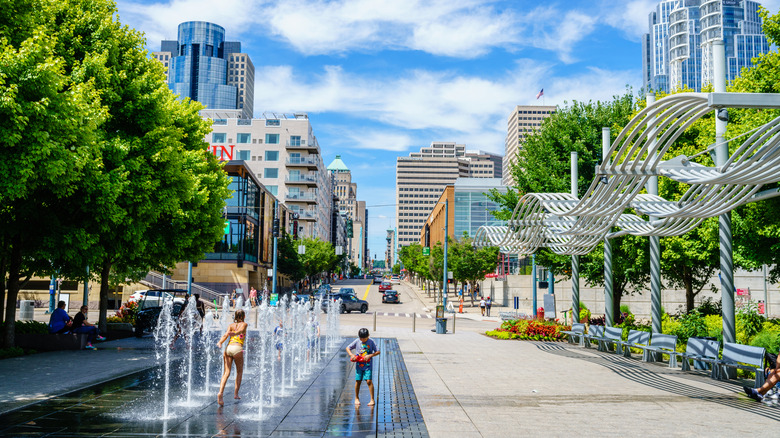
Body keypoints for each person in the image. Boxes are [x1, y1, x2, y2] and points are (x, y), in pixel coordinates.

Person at [217, 309, 248, 406]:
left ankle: (220, 393)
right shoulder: (244, 324)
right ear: (244, 316)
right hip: (237, 348)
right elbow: (241, 331)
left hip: (228, 348)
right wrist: (235, 333)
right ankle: (236, 394)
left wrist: (220, 342)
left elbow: (226, 335)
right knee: (239, 372)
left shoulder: (231, 325)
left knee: (226, 373)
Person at [346, 328, 380, 406]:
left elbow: (378, 351)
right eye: (361, 338)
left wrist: (370, 355)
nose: (363, 340)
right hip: (359, 365)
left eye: (364, 338)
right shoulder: (357, 341)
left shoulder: (371, 342)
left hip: (368, 366)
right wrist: (352, 355)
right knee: (358, 381)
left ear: (368, 336)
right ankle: (356, 398)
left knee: (369, 381)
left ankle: (372, 399)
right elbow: (348, 348)